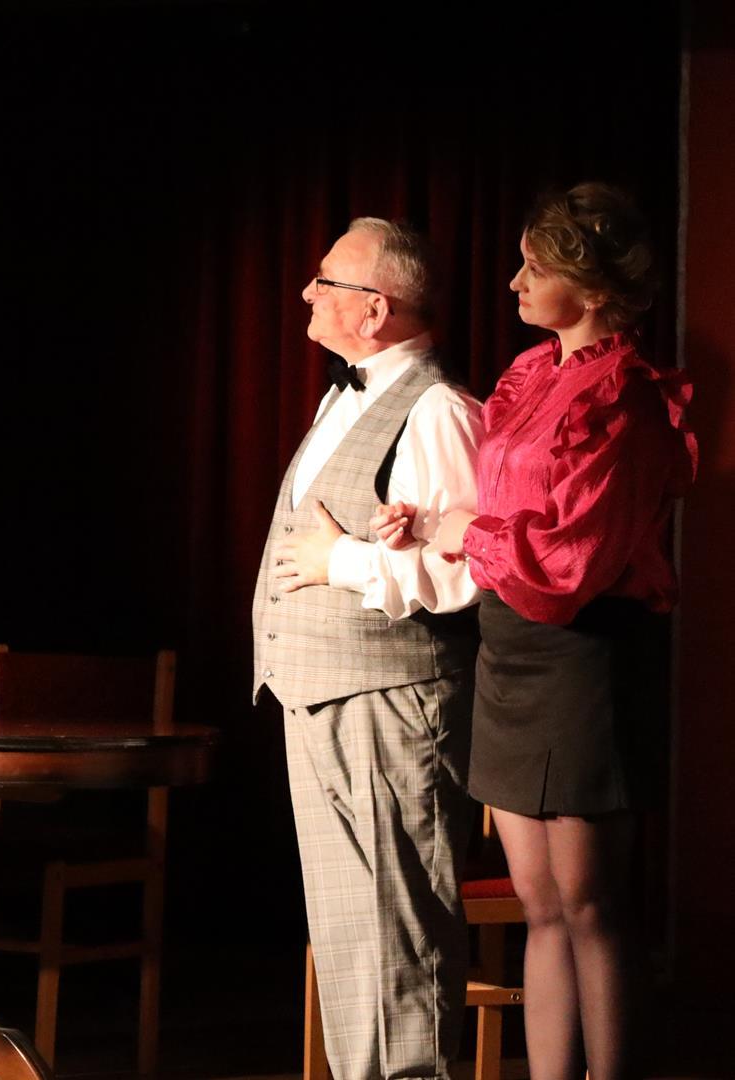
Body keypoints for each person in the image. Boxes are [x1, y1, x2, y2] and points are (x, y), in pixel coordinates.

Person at [376, 183, 694, 1080]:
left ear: (589, 288)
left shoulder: (623, 398)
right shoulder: (530, 374)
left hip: (583, 650)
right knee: (540, 904)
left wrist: (463, 533)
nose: (514, 282)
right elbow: (502, 509)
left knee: (592, 905)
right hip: (510, 645)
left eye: (534, 267)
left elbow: (568, 562)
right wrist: (427, 522)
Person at [252, 218, 484, 1079]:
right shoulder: (340, 398)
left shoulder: (439, 410)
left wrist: (341, 561)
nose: (307, 293)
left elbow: (469, 573)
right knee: (354, 939)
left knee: (398, 939)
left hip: (391, 698)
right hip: (321, 691)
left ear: (375, 309)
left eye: (325, 281)